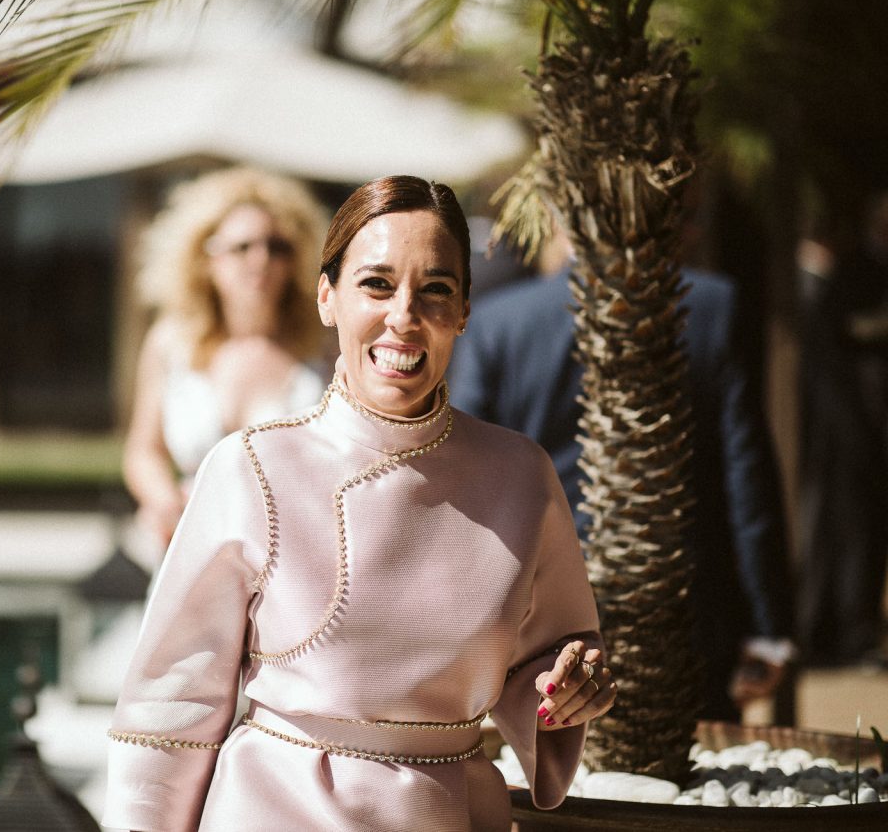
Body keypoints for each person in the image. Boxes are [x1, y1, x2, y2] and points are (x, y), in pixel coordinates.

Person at [103, 176, 615, 832]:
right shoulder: (250, 466)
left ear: (462, 310)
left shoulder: (521, 474)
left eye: (435, 289)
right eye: (376, 284)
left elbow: (555, 654)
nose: (404, 313)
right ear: (327, 297)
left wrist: (569, 687)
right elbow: (169, 707)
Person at [449, 228, 796, 722]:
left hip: (538, 610)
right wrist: (767, 623)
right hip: (680, 602)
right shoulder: (712, 307)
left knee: (551, 780)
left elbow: (465, 477)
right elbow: (746, 472)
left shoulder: (500, 322)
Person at [123, 167, 329, 554]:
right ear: (205, 259)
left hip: (295, 554)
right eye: (243, 247)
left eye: (277, 247)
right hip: (189, 547)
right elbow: (143, 451)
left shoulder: (323, 346)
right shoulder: (170, 343)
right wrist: (165, 503)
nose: (262, 259)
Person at [797, 193, 888, 666]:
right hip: (846, 435)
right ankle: (840, 630)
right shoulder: (844, 280)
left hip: (861, 434)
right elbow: (829, 364)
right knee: (847, 535)